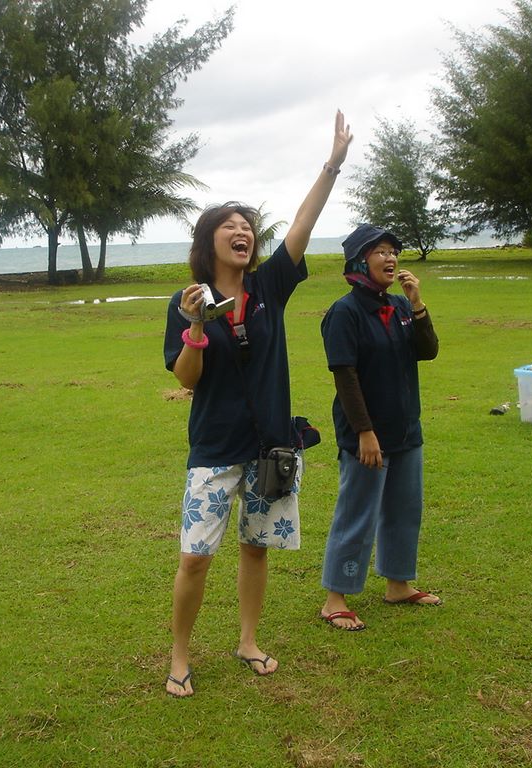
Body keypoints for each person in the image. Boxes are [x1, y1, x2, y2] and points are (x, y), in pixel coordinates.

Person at [162, 111, 353, 697]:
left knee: (256, 549)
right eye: (230, 226)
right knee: (195, 558)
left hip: (271, 445)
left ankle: (248, 641)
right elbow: (187, 377)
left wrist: (332, 165)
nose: (242, 232)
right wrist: (197, 326)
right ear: (209, 242)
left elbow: (302, 224)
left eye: (247, 226)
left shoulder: (269, 286)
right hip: (214, 447)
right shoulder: (186, 301)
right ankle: (179, 657)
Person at [318, 224, 440, 631]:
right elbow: (345, 375)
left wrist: (418, 305)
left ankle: (398, 584)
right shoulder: (345, 312)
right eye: (381, 251)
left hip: (405, 429)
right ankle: (335, 597)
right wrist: (364, 432)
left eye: (393, 251)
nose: (391, 258)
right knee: (357, 513)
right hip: (366, 434)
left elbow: (428, 351)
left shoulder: (401, 306)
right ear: (360, 261)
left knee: (405, 510)